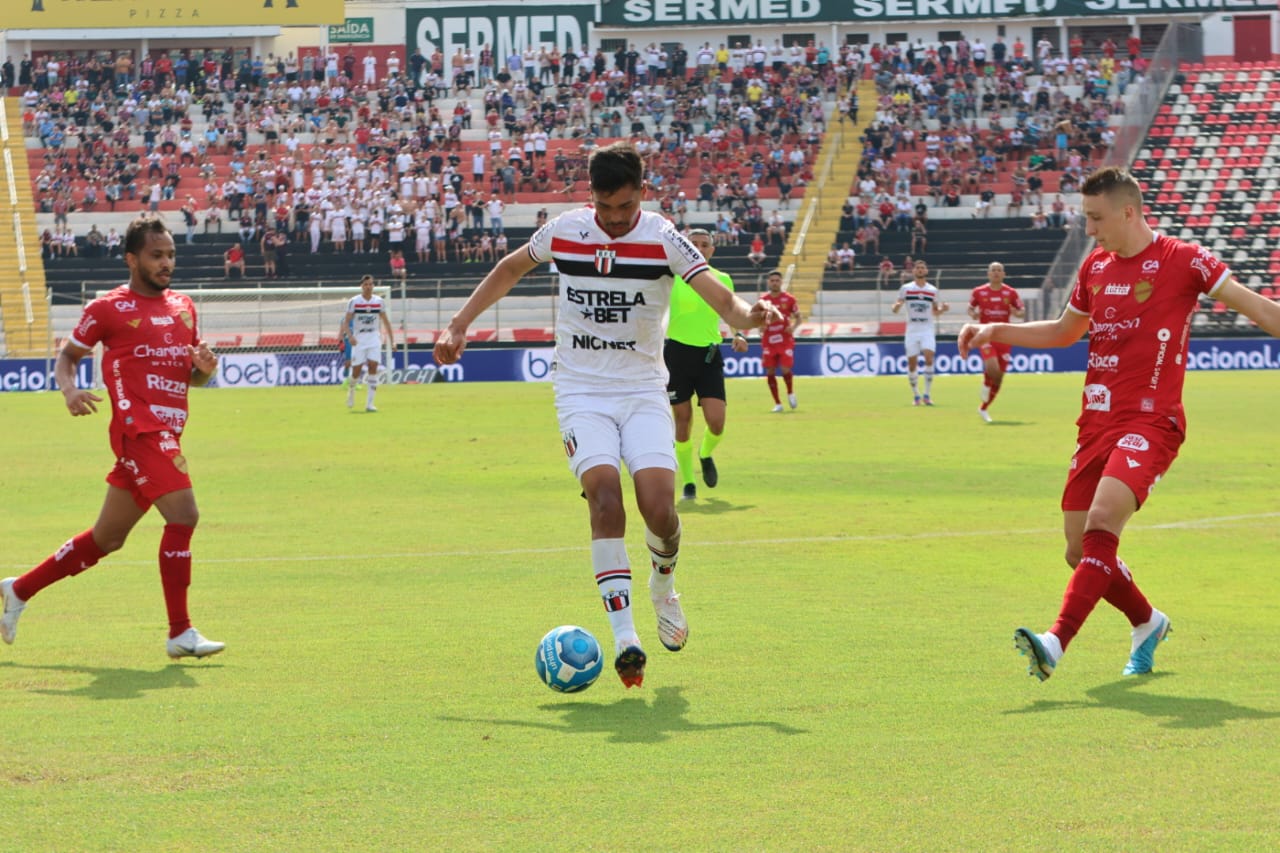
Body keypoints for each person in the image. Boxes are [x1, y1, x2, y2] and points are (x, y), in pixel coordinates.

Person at [433, 143, 776, 689]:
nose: (615, 219)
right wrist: (458, 323)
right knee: (604, 496)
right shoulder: (566, 230)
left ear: (642, 191)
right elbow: (509, 268)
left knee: (659, 510)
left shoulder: (664, 238)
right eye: (605, 207)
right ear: (590, 196)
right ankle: (625, 639)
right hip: (581, 391)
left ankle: (663, 588)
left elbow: (723, 301)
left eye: (624, 206)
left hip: (642, 389)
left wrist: (751, 317)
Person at [958, 166, 1280, 682]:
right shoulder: (1096, 266)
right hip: (1095, 423)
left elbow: (1261, 311)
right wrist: (996, 328)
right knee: (1077, 551)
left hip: (1152, 421)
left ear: (1128, 211)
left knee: (1101, 524)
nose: (1089, 229)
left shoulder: (1185, 261)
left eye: (1095, 218)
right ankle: (1147, 621)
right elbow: (1065, 332)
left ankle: (1054, 643)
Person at [1, 217, 224, 660]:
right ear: (132, 259)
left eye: (171, 255)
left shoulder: (183, 306)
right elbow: (66, 358)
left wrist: (204, 368)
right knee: (184, 515)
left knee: (107, 538)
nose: (166, 263)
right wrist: (68, 389)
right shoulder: (107, 308)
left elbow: (192, 377)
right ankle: (180, 632)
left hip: (168, 431)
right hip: (138, 431)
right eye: (156, 255)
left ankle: (17, 590)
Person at [664, 228, 749, 501]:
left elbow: (730, 311)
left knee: (716, 422)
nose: (699, 248)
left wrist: (739, 335)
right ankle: (688, 482)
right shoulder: (671, 277)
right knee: (683, 420)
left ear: (712, 250)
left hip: (709, 355)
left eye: (704, 245)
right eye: (693, 244)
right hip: (676, 353)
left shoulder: (722, 279)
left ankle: (705, 454)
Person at [967, 261, 1025, 423]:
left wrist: (1017, 313)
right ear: (988, 274)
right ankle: (986, 383)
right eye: (993, 270)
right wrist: (973, 314)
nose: (996, 273)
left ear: (1004, 274)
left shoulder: (1011, 293)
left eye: (999, 270)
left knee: (999, 377)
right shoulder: (979, 292)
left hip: (1004, 337)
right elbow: (970, 308)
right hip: (985, 335)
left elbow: (1021, 312)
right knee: (991, 365)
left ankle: (983, 408)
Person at [892, 259, 948, 405]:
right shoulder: (906, 288)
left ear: (926, 271)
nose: (920, 270)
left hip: (927, 328)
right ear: (913, 271)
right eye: (918, 268)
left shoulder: (932, 290)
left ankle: (927, 394)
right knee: (912, 363)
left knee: (929, 357)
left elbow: (935, 312)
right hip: (912, 328)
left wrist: (943, 310)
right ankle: (916, 395)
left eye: (923, 268)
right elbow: (895, 308)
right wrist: (897, 307)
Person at [343, 274, 394, 412]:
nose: (368, 287)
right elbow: (346, 322)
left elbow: (386, 322)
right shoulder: (354, 301)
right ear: (361, 286)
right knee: (356, 371)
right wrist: (350, 336)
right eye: (366, 284)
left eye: (371, 284)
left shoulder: (379, 301)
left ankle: (370, 404)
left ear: (373, 286)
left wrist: (392, 341)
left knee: (373, 367)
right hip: (359, 338)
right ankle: (351, 389)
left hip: (373, 337)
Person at [760, 269, 801, 413]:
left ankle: (790, 392)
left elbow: (799, 317)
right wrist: (761, 327)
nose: (775, 283)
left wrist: (793, 327)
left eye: (777, 281)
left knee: (785, 369)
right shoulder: (763, 300)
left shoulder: (789, 299)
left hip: (785, 340)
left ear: (781, 282)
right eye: (772, 281)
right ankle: (778, 403)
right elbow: (757, 318)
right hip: (768, 341)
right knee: (770, 371)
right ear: (768, 282)